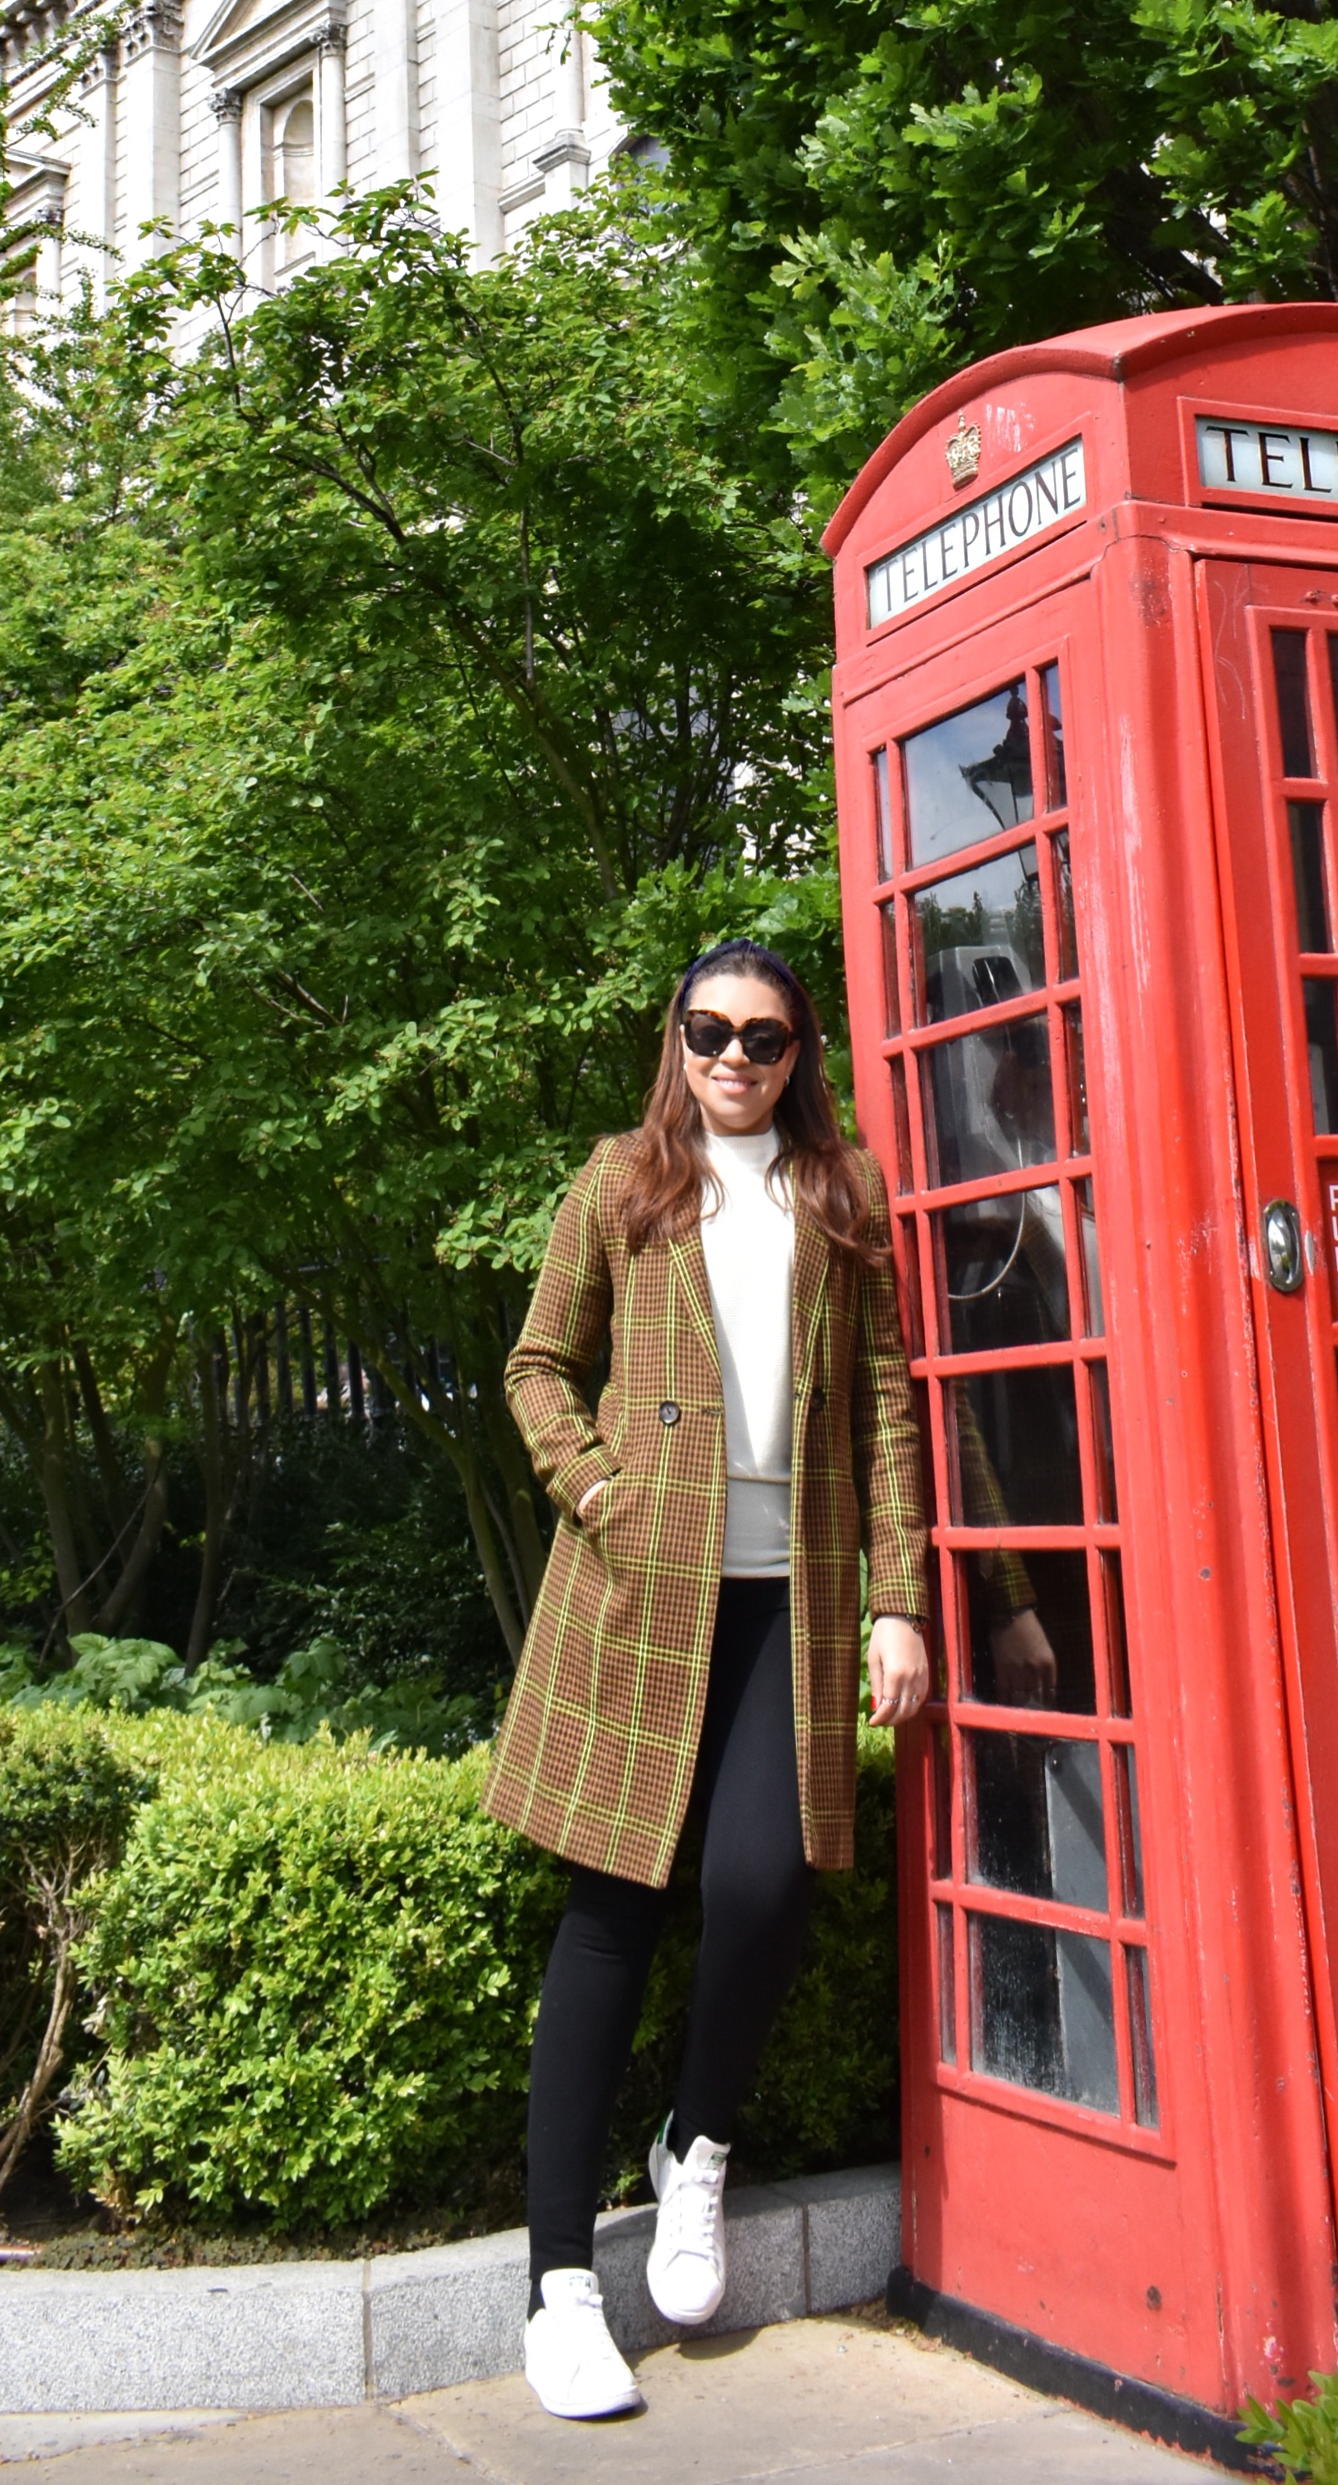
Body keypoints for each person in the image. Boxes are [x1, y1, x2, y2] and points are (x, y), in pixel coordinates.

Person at [488, 941, 933, 2422]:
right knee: (609, 1914)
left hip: (788, 1605)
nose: (736, 1057)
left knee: (764, 1886)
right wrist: (599, 1489)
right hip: (637, 1598)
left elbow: (883, 1402)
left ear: (803, 1055)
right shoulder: (622, 1179)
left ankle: (697, 2150)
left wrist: (899, 1601)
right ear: (673, 1042)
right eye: (709, 1032)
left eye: (766, 1037)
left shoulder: (843, 1193)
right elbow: (537, 1363)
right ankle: (556, 2288)